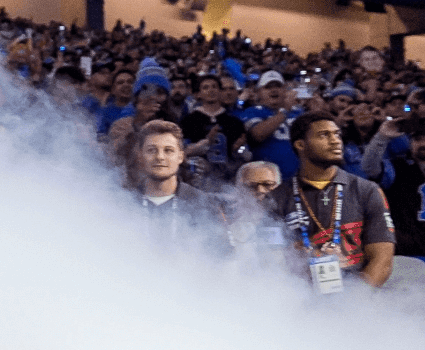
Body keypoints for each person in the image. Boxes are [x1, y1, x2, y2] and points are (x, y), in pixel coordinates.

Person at [265, 111, 395, 289]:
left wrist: (354, 300)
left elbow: (382, 259)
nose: (335, 141)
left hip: (357, 300)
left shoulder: (367, 190)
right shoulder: (276, 198)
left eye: (337, 134)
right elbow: (270, 260)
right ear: (301, 144)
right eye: (324, 135)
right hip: (297, 300)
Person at [359, 116, 425, 259]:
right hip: (408, 258)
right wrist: (382, 137)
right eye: (417, 139)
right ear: (410, 143)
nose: (423, 143)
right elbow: (369, 167)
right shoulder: (399, 169)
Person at [129, 119, 226, 247]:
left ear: (180, 156)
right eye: (151, 150)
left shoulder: (204, 204)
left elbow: (223, 255)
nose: (160, 157)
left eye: (168, 150)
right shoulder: (123, 202)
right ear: (140, 156)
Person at [242, 70, 304, 178]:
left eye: (278, 86)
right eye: (268, 87)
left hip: (301, 180)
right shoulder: (252, 112)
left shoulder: (298, 113)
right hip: (267, 180)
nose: (274, 90)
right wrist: (284, 111)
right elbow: (258, 135)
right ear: (258, 92)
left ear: (284, 90)